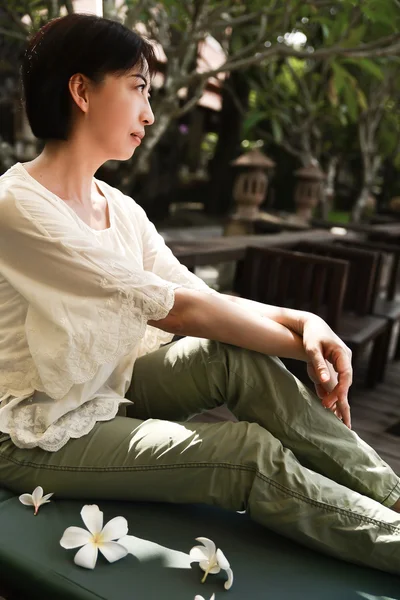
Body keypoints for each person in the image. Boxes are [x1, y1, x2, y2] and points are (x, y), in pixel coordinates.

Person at [0, 13, 399, 576]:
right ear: (81, 90)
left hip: (105, 390)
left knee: (232, 358)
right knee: (245, 455)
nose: (149, 111)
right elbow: (180, 310)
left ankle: (392, 494)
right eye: (138, 88)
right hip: (31, 432)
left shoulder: (120, 207)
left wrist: (304, 320)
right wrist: (302, 351)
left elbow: (188, 287)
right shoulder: (18, 205)